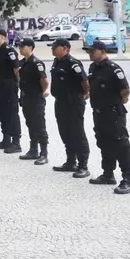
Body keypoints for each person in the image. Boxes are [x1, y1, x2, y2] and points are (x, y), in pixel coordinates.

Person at [86, 41, 130, 194]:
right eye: (89, 51)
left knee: (120, 144)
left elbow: (125, 90)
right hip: (99, 113)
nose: (90, 53)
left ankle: (127, 179)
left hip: (113, 113)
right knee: (103, 142)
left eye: (93, 51)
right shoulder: (93, 67)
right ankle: (108, 174)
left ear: (102, 51)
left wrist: (117, 102)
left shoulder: (113, 69)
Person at [49, 38, 91, 178]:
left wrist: (84, 94)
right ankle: (70, 161)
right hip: (60, 102)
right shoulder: (57, 62)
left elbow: (84, 82)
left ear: (65, 48)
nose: (53, 49)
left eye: (56, 47)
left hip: (73, 103)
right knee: (65, 132)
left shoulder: (73, 64)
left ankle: (83, 165)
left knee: (77, 132)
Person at [16, 38, 50, 165]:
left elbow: (44, 81)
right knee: (30, 123)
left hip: (35, 97)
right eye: (19, 46)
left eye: (22, 46)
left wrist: (41, 92)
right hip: (25, 97)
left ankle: (44, 153)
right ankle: (33, 150)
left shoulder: (37, 63)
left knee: (39, 125)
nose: (20, 49)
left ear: (30, 47)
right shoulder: (22, 62)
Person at [0, 28, 22, 154]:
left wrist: (19, 85)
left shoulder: (9, 51)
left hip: (9, 86)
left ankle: (16, 142)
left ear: (3, 37)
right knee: (2, 112)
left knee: (12, 113)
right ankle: (6, 139)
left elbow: (16, 70)